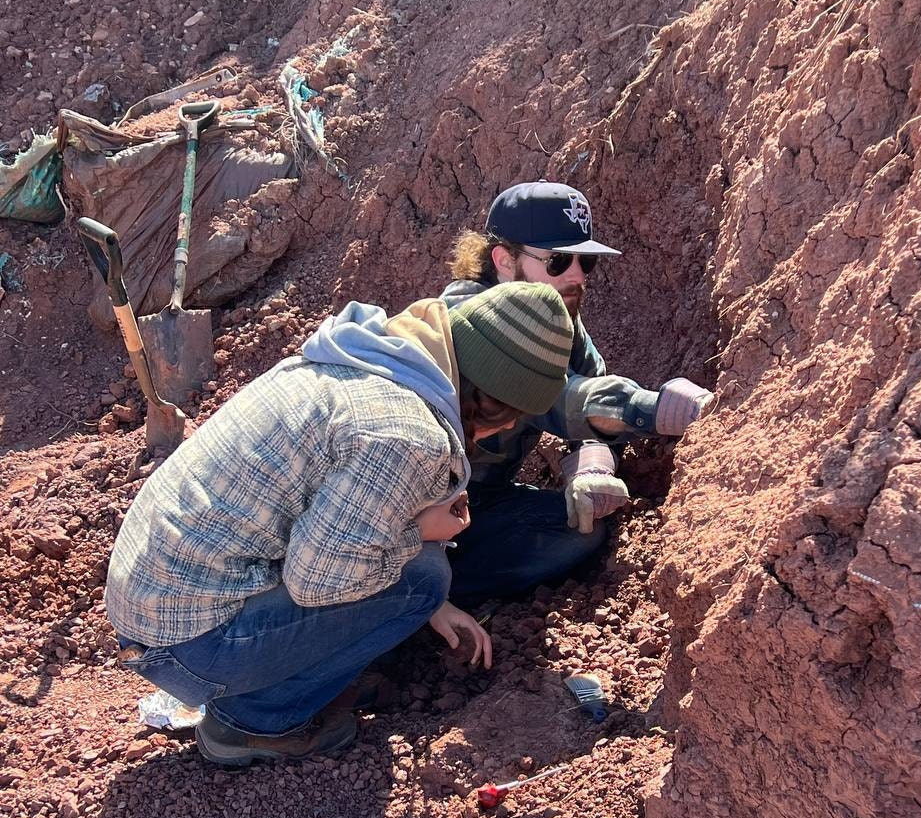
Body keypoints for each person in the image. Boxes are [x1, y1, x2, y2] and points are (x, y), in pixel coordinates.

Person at [105, 282, 574, 768]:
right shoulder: (405, 435)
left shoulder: (367, 356)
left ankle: (296, 671)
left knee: (413, 563)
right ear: (496, 406)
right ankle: (253, 720)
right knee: (423, 579)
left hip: (151, 600)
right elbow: (319, 582)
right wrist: (420, 535)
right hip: (185, 644)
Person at [440, 180, 714, 605]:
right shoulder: (466, 317)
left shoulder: (559, 319)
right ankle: (423, 602)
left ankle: (445, 594)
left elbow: (588, 392)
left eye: (586, 262)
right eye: (558, 260)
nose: (576, 276)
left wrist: (589, 467)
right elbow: (560, 399)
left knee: (578, 532)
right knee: (416, 576)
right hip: (410, 510)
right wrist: (655, 408)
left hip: (479, 505)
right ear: (504, 260)